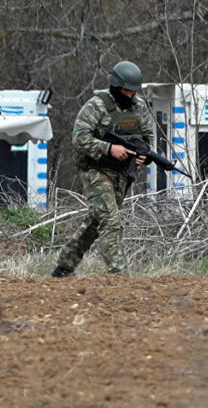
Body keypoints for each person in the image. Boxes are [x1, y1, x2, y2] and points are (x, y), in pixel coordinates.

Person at [51, 61, 153, 277]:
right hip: (96, 170)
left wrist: (143, 155)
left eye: (133, 91)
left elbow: (147, 138)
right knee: (110, 220)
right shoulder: (96, 106)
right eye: (126, 90)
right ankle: (119, 275)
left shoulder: (140, 107)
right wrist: (108, 148)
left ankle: (64, 268)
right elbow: (79, 138)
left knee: (96, 220)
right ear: (115, 86)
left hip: (123, 174)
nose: (130, 95)